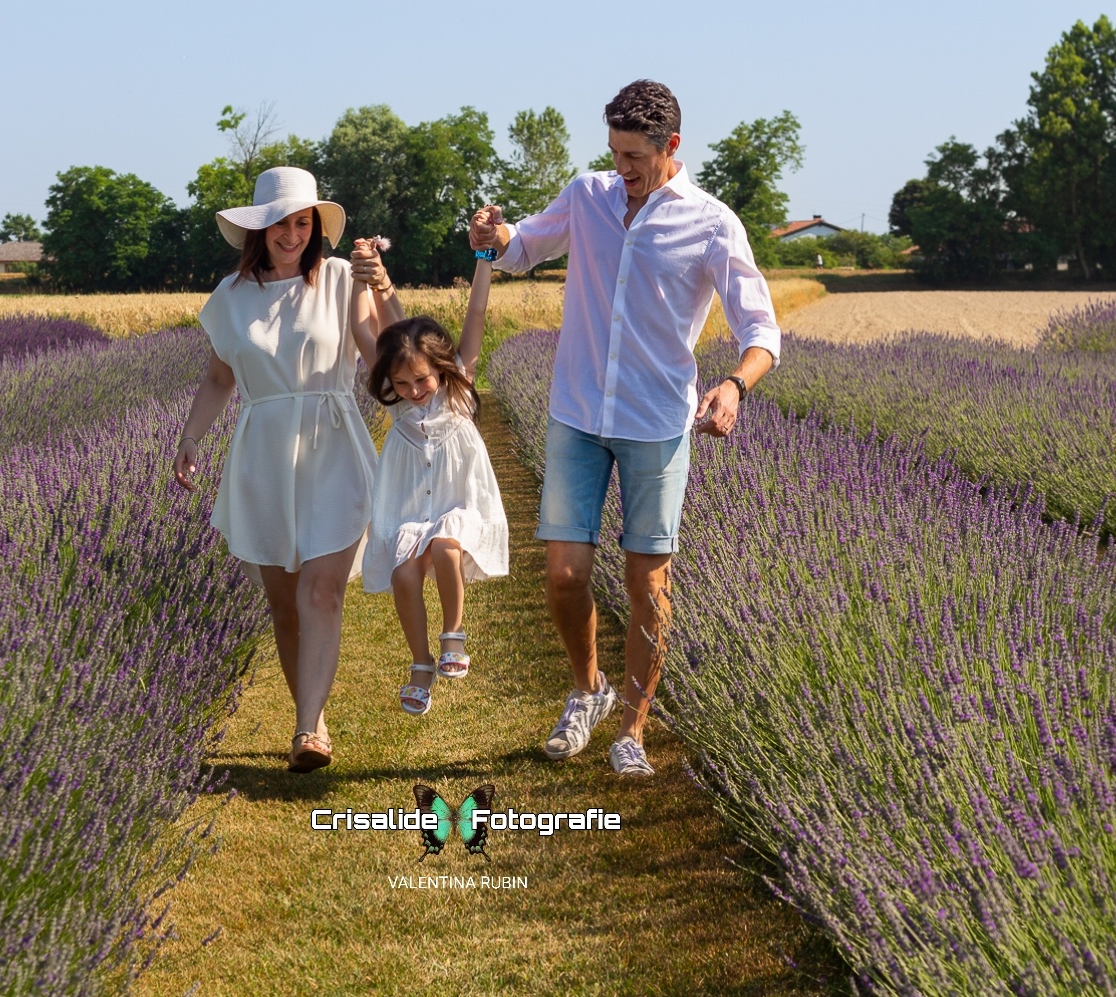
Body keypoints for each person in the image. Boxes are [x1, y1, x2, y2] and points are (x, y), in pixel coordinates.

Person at [469, 80, 781, 776]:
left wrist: (733, 385)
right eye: (614, 152)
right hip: (577, 413)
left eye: (635, 155)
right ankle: (589, 692)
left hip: (656, 424)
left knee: (649, 584)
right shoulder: (587, 197)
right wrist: (494, 239)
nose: (623, 168)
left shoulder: (713, 223)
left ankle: (633, 728)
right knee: (563, 574)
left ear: (672, 146)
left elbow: (762, 330)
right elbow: (523, 250)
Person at [174, 166, 401, 773]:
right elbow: (221, 376)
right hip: (262, 455)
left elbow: (384, 353)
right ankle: (314, 712)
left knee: (320, 591)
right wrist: (191, 438)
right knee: (283, 604)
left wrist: (382, 289)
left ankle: (306, 731)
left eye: (303, 222)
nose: (293, 233)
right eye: (281, 222)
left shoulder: (337, 280)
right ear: (258, 228)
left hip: (333, 445)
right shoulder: (231, 296)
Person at [350, 223, 510, 716]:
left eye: (421, 381)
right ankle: (420, 663)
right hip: (408, 499)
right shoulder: (398, 399)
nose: (415, 391)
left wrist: (485, 256)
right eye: (402, 383)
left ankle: (453, 636)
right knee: (402, 574)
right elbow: (365, 329)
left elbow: (477, 311)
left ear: (439, 369)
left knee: (446, 545)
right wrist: (363, 280)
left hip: (457, 498)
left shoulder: (456, 385)